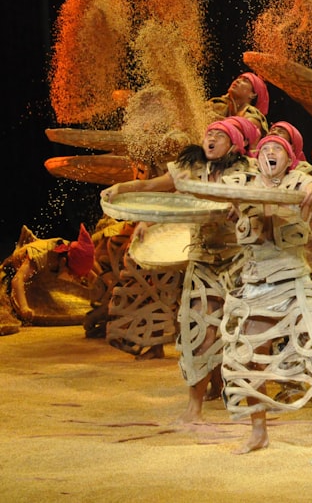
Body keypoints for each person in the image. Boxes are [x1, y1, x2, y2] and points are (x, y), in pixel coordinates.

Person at [218, 134, 312, 454]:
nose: (270, 153)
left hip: (292, 284)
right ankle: (259, 431)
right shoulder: (242, 185)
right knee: (249, 361)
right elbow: (219, 189)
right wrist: (233, 204)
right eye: (265, 150)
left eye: (278, 151)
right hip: (256, 286)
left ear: (289, 160)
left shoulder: (299, 182)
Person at [101, 120, 253, 422]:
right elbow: (149, 189)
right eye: (209, 134)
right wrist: (119, 191)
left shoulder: (245, 173)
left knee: (240, 333)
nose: (211, 139)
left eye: (219, 136)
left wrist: (242, 209)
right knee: (197, 330)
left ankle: (236, 394)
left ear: (234, 144)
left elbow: (261, 206)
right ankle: (194, 407)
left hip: (238, 261)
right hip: (202, 261)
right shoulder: (190, 169)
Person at [208, 72, 269, 137]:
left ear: (253, 95)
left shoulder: (253, 118)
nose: (237, 80)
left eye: (245, 81)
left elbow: (240, 132)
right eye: (239, 78)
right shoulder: (218, 104)